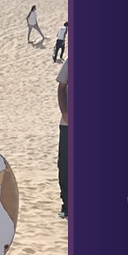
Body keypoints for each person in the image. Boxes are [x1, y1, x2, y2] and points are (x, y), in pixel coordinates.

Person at [56, 56, 69, 219]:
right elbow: (61, 88)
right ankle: (67, 205)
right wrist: (65, 112)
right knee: (65, 165)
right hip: (68, 124)